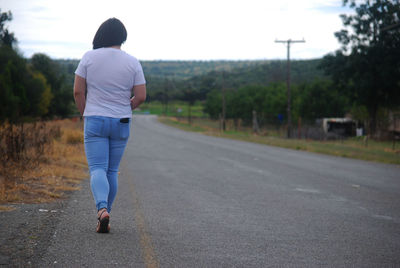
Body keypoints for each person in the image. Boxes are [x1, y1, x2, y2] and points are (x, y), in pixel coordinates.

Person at [73, 18, 146, 233]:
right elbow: (141, 96)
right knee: (112, 170)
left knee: (97, 168)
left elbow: (78, 92)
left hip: (95, 118)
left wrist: (86, 113)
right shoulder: (132, 62)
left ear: (101, 35)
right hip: (121, 121)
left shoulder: (89, 58)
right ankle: (105, 215)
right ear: (122, 37)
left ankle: (101, 209)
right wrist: (125, 108)